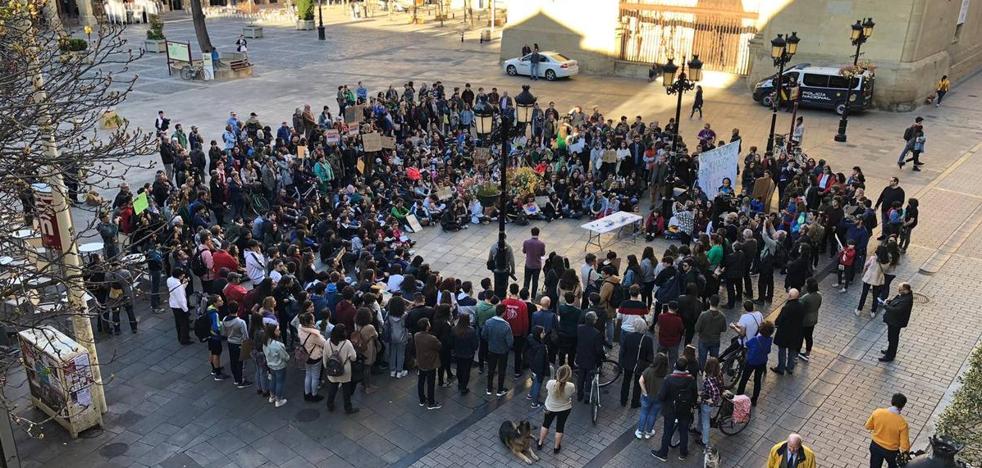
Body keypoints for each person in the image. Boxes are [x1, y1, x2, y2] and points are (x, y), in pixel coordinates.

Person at [650, 357, 698, 462]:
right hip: (685, 409)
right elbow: (695, 395)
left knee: (667, 431)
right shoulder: (691, 379)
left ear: (675, 366)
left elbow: (661, 396)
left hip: (670, 410)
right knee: (684, 431)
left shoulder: (669, 379)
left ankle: (663, 453)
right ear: (686, 367)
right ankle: (683, 453)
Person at [537, 365, 575, 454]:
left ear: (558, 374)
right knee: (560, 428)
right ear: (568, 376)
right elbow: (571, 394)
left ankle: (540, 443)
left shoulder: (550, 383)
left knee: (545, 424)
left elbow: (547, 389)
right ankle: (556, 447)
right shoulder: (571, 386)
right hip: (564, 408)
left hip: (550, 407)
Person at [865, 393, 911, 467]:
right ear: (903, 406)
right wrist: (906, 454)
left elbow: (868, 426)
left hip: (875, 446)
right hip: (891, 451)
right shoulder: (902, 423)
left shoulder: (878, 412)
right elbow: (904, 445)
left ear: (892, 401)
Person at [736, 320, 774, 406]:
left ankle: (739, 395)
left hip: (751, 361)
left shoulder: (755, 339)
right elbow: (768, 351)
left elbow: (748, 344)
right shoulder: (769, 340)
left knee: (744, 378)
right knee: (757, 380)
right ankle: (754, 399)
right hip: (762, 362)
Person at [324, 323, 359, 414]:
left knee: (333, 387)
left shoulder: (327, 342)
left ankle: (330, 404)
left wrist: (327, 368)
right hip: (345, 370)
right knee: (346, 390)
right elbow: (354, 357)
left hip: (332, 369)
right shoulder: (347, 343)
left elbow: (325, 358)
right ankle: (348, 408)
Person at [618, 320, 653, 408]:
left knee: (626, 381)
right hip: (640, 366)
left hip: (628, 363)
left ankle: (623, 400)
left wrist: (621, 362)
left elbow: (623, 351)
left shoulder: (628, 337)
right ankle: (635, 402)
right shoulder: (648, 340)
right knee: (638, 384)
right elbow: (650, 356)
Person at [482, 303, 514, 396]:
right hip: (503, 351)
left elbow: (484, 335)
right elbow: (510, 342)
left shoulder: (488, 322)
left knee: (491, 369)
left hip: (491, 349)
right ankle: (500, 390)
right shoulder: (506, 326)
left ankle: (489, 388)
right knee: (502, 370)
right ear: (504, 313)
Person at [636, 352, 668, 439]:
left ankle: (640, 431)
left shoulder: (649, 370)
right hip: (659, 398)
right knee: (653, 415)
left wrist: (644, 392)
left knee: (644, 413)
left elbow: (640, 381)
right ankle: (648, 432)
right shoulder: (666, 374)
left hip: (647, 396)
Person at [771, 288, 804, 375]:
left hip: (784, 333)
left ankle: (781, 368)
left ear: (789, 296)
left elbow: (779, 320)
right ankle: (790, 368)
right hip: (796, 333)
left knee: (782, 350)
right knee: (792, 350)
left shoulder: (787, 307)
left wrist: (776, 324)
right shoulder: (801, 306)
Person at [574, 312, 604, 403]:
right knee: (589, 378)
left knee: (580, 377)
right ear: (593, 321)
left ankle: (579, 395)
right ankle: (587, 397)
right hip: (591, 359)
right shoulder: (596, 333)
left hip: (581, 356)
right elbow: (598, 350)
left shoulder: (579, 328)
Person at [879, 282, 914, 363]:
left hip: (896, 322)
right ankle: (890, 351)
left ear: (906, 290)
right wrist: (889, 301)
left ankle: (890, 356)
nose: (899, 291)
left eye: (900, 290)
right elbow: (896, 301)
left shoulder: (906, 300)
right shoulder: (903, 295)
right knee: (891, 337)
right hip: (893, 321)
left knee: (893, 338)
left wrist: (885, 305)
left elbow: (896, 310)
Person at [501, 283, 530, 378]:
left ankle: (502, 369)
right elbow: (525, 321)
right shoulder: (522, 305)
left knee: (505, 351)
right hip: (518, 333)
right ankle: (517, 371)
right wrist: (524, 333)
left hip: (506, 331)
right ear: (517, 291)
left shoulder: (504, 302)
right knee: (518, 353)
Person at [414, 317, 443, 409]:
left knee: (421, 381)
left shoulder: (416, 335)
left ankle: (422, 399)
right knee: (430, 383)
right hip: (430, 363)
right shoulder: (432, 338)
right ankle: (431, 402)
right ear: (427, 327)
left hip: (421, 362)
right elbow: (439, 346)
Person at [297, 312, 326, 401]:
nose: (314, 321)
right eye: (313, 319)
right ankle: (314, 394)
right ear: (310, 322)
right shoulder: (314, 334)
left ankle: (307, 393)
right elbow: (324, 343)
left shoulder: (300, 328)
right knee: (315, 377)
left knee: (308, 374)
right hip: (315, 356)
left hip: (305, 355)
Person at [222, 305, 251, 389]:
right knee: (239, 362)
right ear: (237, 309)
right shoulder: (241, 322)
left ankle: (236, 379)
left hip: (230, 342)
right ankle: (240, 381)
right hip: (239, 343)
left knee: (233, 361)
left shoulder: (224, 319)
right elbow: (245, 336)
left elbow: (223, 333)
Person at [694, 295, 726, 368]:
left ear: (709, 301)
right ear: (718, 303)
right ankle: (712, 371)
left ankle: (701, 370)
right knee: (714, 359)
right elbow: (724, 329)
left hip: (703, 339)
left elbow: (696, 328)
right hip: (715, 340)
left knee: (702, 357)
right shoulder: (722, 316)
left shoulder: (703, 315)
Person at [449, 314, 478, 395]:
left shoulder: (454, 329)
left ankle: (460, 383)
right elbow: (475, 343)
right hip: (468, 354)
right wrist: (474, 349)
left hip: (458, 353)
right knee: (466, 370)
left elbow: (451, 342)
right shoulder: (471, 330)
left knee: (459, 368)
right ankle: (463, 387)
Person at [262, 323, 289, 407]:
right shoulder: (277, 345)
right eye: (277, 330)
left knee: (273, 380)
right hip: (280, 366)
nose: (279, 331)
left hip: (270, 365)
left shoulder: (265, 342)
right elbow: (285, 357)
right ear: (273, 332)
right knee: (280, 382)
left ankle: (272, 396)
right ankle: (278, 400)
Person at [698, 357, 723, 447]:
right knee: (704, 418)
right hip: (710, 403)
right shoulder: (719, 374)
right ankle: (699, 430)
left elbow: (715, 395)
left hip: (707, 404)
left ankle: (704, 441)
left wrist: (707, 399)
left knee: (706, 422)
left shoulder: (709, 380)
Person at [799, 278, 822, 361]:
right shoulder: (819, 295)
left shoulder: (805, 298)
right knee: (809, 337)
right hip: (814, 318)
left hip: (805, 320)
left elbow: (800, 308)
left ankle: (797, 352)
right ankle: (807, 353)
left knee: (800, 336)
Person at [205, 295, 227, 380]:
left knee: (211, 351)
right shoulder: (215, 314)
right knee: (216, 354)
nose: (222, 302)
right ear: (215, 303)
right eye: (220, 301)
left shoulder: (209, 309)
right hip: (215, 336)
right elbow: (216, 327)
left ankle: (214, 368)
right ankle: (218, 373)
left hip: (209, 335)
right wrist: (222, 324)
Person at [526, 325, 549, 408]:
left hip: (532, 366)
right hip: (538, 368)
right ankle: (534, 403)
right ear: (538, 334)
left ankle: (530, 394)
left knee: (534, 381)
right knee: (538, 384)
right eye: (543, 332)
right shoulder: (541, 347)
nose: (544, 333)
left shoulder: (531, 339)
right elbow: (541, 360)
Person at [522, 227, 546, 298]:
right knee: (535, 282)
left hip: (528, 264)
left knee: (526, 281)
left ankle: (525, 295)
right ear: (538, 233)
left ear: (531, 233)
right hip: (537, 265)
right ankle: (533, 296)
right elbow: (543, 254)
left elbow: (524, 251)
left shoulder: (526, 242)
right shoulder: (541, 244)